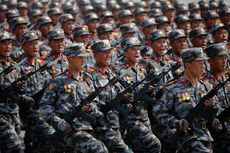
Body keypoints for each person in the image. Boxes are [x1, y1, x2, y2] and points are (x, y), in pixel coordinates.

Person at [39, 42, 108, 153]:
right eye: (80, 57)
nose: (83, 60)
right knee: (99, 148)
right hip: (68, 130)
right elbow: (44, 107)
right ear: (70, 58)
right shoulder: (57, 80)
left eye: (84, 57)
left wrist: (90, 108)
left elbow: (97, 104)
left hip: (87, 127)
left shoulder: (87, 79)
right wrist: (59, 122)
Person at [153, 47, 219, 153]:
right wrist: (176, 122)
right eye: (199, 62)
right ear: (188, 64)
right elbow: (158, 112)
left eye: (203, 62)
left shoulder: (206, 86)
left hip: (205, 136)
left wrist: (212, 106)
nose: (203, 66)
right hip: (186, 139)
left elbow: (216, 112)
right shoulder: (173, 88)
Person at [114, 37, 161, 153]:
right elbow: (117, 94)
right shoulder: (118, 70)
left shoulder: (142, 68)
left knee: (141, 148)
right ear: (125, 52)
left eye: (138, 49)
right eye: (133, 49)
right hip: (129, 118)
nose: (137, 52)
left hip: (144, 115)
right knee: (154, 144)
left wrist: (150, 90)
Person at [87, 40, 132, 153]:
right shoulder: (89, 75)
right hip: (102, 126)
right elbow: (89, 101)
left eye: (109, 52)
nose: (109, 55)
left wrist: (126, 97)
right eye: (105, 52)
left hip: (116, 123)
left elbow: (121, 92)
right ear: (96, 54)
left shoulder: (112, 73)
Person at [204, 43, 230, 153]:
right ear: (210, 61)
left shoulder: (227, 77)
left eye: (225, 57)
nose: (224, 61)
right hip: (218, 131)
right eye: (220, 58)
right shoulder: (205, 82)